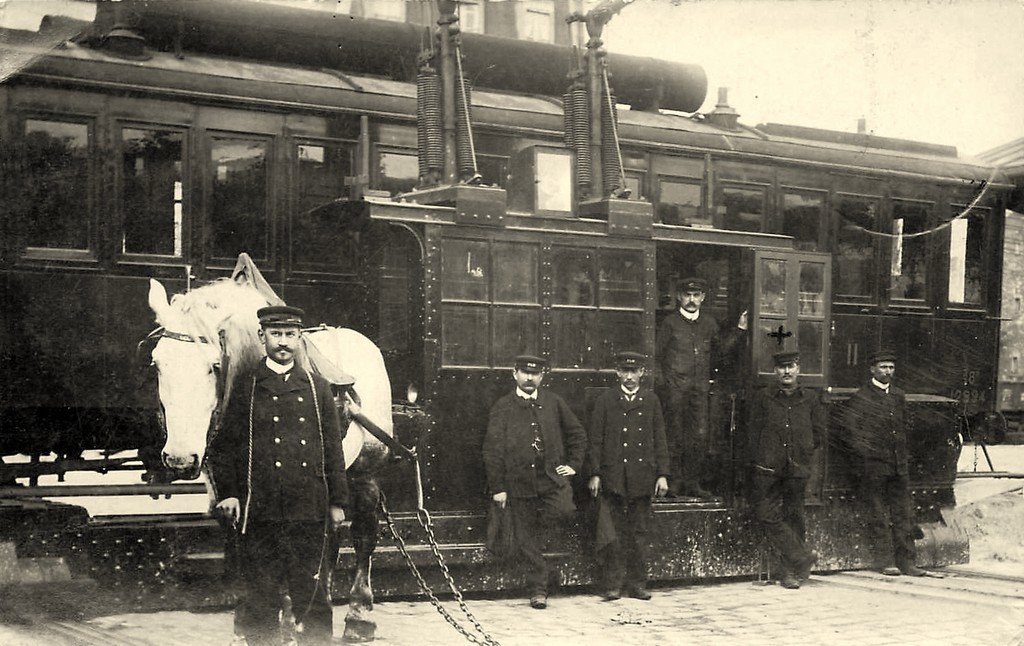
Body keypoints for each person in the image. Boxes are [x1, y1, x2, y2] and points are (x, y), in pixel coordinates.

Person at [209, 305, 350, 645]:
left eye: (289, 335)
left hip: (309, 511)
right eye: (276, 335)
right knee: (260, 597)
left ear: (299, 338)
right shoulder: (247, 387)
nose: (283, 342)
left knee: (314, 597)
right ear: (263, 337)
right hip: (261, 512)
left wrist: (338, 502)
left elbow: (333, 450)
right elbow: (224, 446)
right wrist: (228, 492)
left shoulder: (317, 388)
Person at [483, 355, 587, 610]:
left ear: (542, 376)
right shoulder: (503, 406)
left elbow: (578, 434)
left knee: (564, 510)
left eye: (536, 374)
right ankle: (539, 589)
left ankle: (537, 542)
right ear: (514, 373)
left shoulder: (554, 402)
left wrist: (572, 465)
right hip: (518, 483)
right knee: (525, 537)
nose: (530, 378)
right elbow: (492, 450)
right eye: (525, 373)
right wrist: (499, 488)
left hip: (550, 479)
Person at [587, 352, 669, 601]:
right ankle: (613, 584)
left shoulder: (651, 400)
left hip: (641, 477)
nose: (630, 376)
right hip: (613, 477)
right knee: (612, 534)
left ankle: (637, 584)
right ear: (618, 372)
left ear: (642, 373)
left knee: (639, 534)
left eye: (635, 371)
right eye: (625, 371)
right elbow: (595, 440)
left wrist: (662, 474)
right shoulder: (606, 400)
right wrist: (595, 473)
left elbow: (660, 439)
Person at [656, 276, 746, 498]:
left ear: (703, 298)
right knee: (675, 434)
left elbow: (721, 352)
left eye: (696, 295)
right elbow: (655, 356)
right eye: (687, 295)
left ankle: (693, 483)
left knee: (699, 436)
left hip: (700, 391)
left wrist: (740, 330)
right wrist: (665, 383)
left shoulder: (709, 324)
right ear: (679, 297)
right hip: (675, 390)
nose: (691, 300)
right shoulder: (669, 323)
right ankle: (674, 482)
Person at [842, 349, 926, 577]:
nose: (888, 371)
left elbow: (904, 428)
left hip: (898, 466)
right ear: (872, 370)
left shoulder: (898, 396)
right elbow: (850, 433)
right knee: (878, 515)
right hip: (875, 468)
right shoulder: (861, 397)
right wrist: (868, 457)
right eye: (883, 367)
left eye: (891, 367)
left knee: (903, 514)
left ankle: (907, 563)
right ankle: (886, 561)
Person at [747, 350, 823, 589]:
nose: (786, 371)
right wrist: (763, 456)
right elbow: (753, 431)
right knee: (766, 513)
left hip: (797, 467)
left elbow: (819, 432)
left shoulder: (810, 398)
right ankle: (801, 556)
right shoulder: (763, 397)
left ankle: (790, 572)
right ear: (775, 371)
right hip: (768, 467)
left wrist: (804, 451)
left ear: (798, 369)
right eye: (781, 368)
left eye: (791, 366)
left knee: (794, 516)